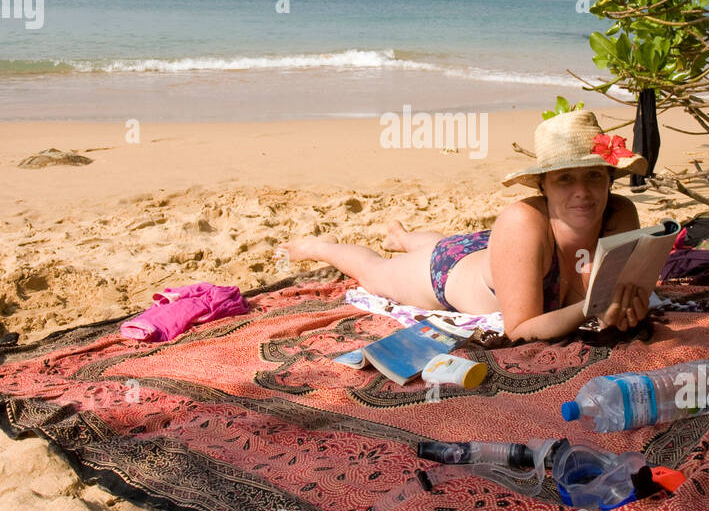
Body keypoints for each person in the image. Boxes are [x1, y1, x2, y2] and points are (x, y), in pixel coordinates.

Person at [278, 110, 651, 341]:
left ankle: (403, 235)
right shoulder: (523, 221)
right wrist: (591, 308)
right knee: (374, 271)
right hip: (451, 271)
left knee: (443, 241)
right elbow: (520, 329)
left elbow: (611, 301)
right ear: (543, 186)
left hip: (499, 252)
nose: (583, 192)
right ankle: (316, 245)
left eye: (593, 176)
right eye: (565, 179)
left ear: (609, 179)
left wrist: (622, 307)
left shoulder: (620, 216)